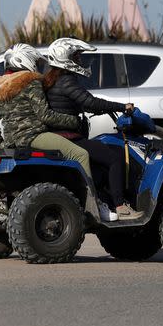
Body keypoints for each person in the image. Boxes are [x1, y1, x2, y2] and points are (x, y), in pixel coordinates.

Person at [44, 38, 141, 221]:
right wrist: (122, 107)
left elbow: (81, 103)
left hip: (60, 135)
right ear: (66, 59)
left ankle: (105, 198)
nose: (80, 61)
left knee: (102, 158)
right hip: (69, 137)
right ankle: (121, 207)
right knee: (115, 157)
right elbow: (90, 101)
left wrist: (97, 108)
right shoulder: (66, 81)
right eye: (77, 56)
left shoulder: (53, 80)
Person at [0, 43, 90, 177]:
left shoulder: (0, 88)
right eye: (35, 61)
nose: (36, 65)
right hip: (35, 137)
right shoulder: (31, 82)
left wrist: (1, 147)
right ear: (26, 60)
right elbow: (45, 115)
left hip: (12, 142)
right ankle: (91, 197)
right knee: (81, 155)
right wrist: (74, 121)